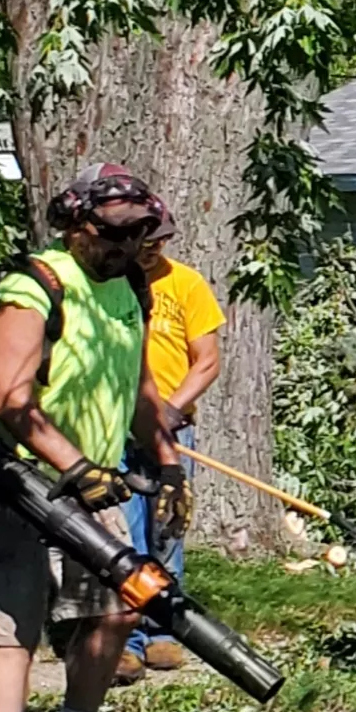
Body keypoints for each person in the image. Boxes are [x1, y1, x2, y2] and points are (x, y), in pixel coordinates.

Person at [0, 164, 171, 712]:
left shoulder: (128, 286)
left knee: (119, 608)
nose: (128, 248)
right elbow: (7, 394)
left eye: (141, 235)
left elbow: (142, 388)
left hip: (88, 485)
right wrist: (74, 464)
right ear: (76, 227)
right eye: (116, 235)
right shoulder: (33, 285)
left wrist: (167, 463)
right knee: (12, 629)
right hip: (7, 482)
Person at [123, 234, 226, 673]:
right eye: (142, 241)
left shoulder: (186, 284)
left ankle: (164, 629)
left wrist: (169, 410)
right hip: (117, 429)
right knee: (124, 537)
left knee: (166, 530)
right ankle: (126, 639)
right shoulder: (110, 283)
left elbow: (207, 361)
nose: (150, 249)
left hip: (172, 429)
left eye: (158, 241)